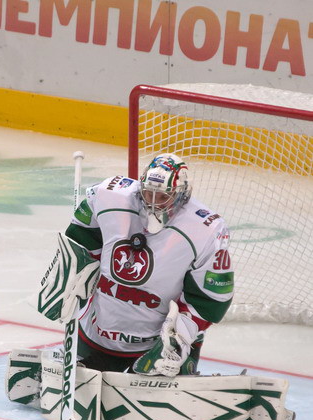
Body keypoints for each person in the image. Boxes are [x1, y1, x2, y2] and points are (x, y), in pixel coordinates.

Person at [40, 153, 234, 377]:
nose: (152, 201)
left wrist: (177, 338)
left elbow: (209, 299)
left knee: (163, 390)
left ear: (181, 195)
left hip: (157, 345)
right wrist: (69, 277)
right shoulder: (108, 196)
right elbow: (80, 242)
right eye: (148, 192)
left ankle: (175, 360)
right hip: (98, 331)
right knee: (80, 376)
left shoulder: (206, 229)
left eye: (162, 196)